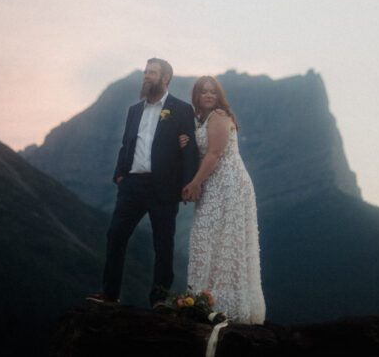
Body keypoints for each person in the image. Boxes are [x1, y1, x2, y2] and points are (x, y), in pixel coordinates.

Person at [89, 58, 198, 307]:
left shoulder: (181, 110)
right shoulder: (134, 110)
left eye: (152, 73)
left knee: (163, 243)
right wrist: (120, 175)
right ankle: (110, 293)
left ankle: (159, 299)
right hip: (132, 186)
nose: (147, 76)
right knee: (116, 234)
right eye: (146, 72)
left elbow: (189, 150)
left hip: (164, 187)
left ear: (166, 78)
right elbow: (127, 145)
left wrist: (186, 183)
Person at [181, 75, 266, 324]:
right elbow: (201, 148)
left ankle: (226, 305)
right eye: (203, 92)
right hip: (214, 185)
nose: (208, 95)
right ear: (196, 96)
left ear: (219, 96)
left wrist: (195, 182)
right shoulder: (201, 120)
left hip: (229, 186)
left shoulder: (218, 116)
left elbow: (215, 153)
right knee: (209, 240)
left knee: (226, 243)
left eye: (213, 92)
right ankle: (205, 299)